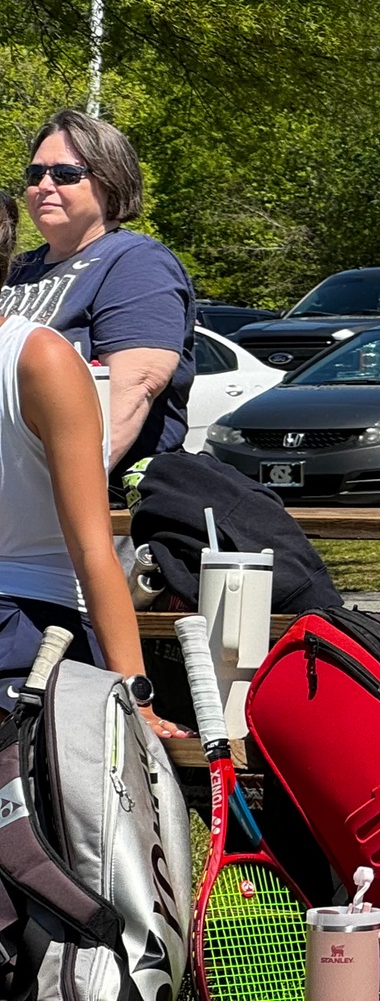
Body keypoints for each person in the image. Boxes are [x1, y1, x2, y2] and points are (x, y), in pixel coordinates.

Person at [0, 192, 181, 736]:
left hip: (32, 629)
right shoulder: (40, 358)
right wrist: (136, 695)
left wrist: (132, 691)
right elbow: (91, 547)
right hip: (37, 627)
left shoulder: (34, 359)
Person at [2, 110, 194, 471]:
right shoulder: (16, 270)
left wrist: (63, 494)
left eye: (65, 174)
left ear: (110, 182)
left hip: (96, 502)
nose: (44, 186)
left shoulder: (136, 263)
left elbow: (135, 388)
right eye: (35, 174)